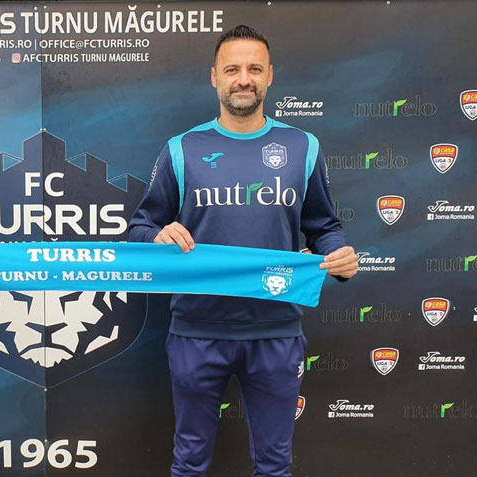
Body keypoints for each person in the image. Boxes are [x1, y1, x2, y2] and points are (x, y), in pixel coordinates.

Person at [128, 25, 358, 477]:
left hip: (276, 331)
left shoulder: (302, 146)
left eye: (254, 69)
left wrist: (340, 256)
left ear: (270, 75)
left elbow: (324, 226)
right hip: (196, 331)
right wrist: (156, 237)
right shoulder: (182, 149)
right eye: (232, 69)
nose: (244, 79)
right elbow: (140, 228)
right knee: (189, 462)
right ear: (214, 76)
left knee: (274, 466)